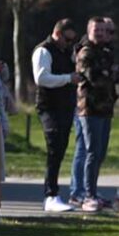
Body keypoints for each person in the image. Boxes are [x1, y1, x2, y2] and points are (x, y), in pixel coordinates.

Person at [32, 18, 81, 213]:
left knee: (60, 148)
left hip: (65, 106)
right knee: (54, 145)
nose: (69, 44)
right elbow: (41, 78)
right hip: (49, 106)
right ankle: (50, 194)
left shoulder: (66, 51)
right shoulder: (44, 50)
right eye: (67, 40)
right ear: (57, 34)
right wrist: (68, 78)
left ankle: (53, 193)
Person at [73, 17, 119, 212]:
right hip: (90, 109)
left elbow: (118, 74)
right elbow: (93, 78)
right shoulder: (86, 52)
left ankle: (92, 190)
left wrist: (109, 73)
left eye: (103, 30)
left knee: (100, 153)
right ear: (89, 30)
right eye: (96, 30)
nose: (100, 33)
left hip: (105, 109)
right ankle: (87, 194)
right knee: (91, 152)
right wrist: (109, 73)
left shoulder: (106, 52)